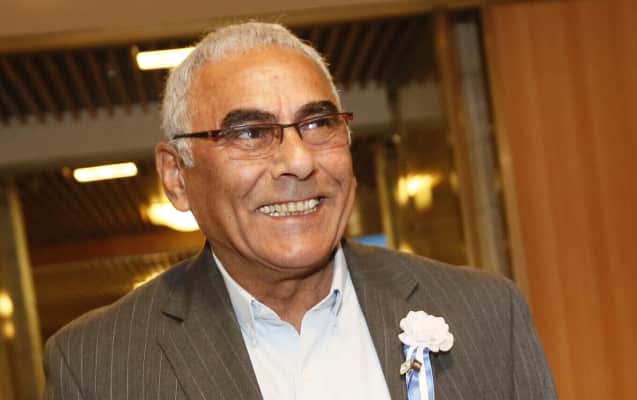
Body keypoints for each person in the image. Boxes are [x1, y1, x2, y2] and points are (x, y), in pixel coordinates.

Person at [43, 22, 557, 399]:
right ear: (177, 177)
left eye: (318, 124)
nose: (298, 161)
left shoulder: (486, 314)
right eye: (250, 133)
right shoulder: (99, 364)